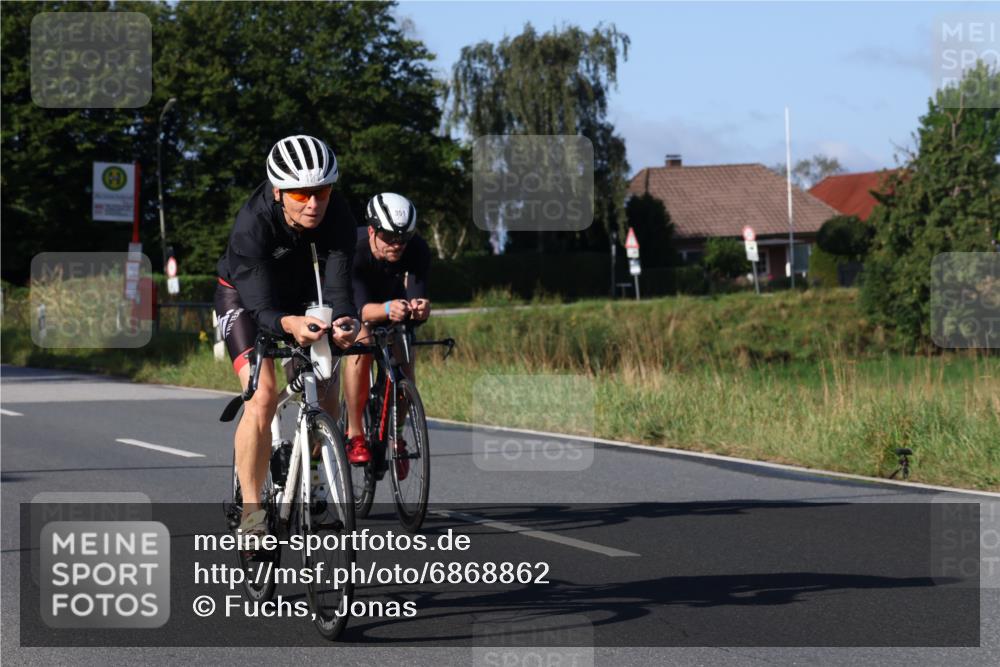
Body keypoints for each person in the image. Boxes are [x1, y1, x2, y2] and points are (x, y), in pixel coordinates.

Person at [215, 134, 359, 536]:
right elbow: (262, 311)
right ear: (278, 191)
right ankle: (251, 512)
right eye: (300, 194)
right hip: (244, 297)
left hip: (302, 295)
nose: (313, 203)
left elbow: (338, 288)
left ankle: (312, 477)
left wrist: (346, 320)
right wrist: (291, 325)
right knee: (261, 396)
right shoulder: (252, 224)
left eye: (322, 191)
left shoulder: (339, 215)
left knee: (327, 384)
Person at [342, 193, 431, 478]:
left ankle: (398, 434)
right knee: (362, 343)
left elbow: (417, 294)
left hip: (392, 301)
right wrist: (386, 309)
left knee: (405, 359)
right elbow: (360, 310)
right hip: (357, 304)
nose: (397, 245)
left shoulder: (416, 249)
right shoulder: (352, 248)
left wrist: (420, 308)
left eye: (403, 238)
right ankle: (354, 432)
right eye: (390, 237)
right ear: (372, 230)